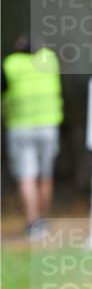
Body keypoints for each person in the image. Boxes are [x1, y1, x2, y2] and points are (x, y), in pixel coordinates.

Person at [2, 34, 63, 239]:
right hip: (48, 126)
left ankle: (33, 223)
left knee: (26, 177)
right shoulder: (49, 59)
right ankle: (43, 221)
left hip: (20, 127)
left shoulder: (11, 64)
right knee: (45, 176)